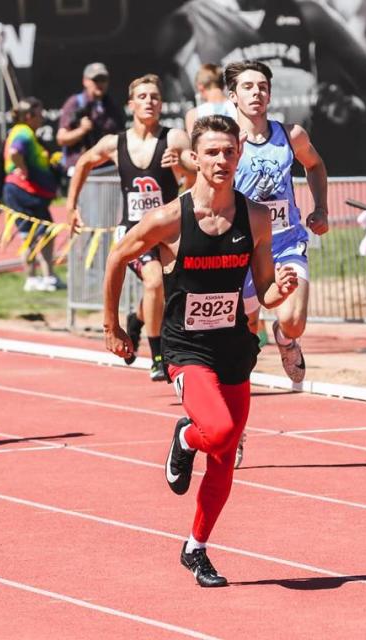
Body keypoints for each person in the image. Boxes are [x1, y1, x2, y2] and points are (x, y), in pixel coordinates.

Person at [102, 114, 298, 587]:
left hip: (234, 342)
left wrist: (280, 291)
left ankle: (197, 547)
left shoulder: (254, 217)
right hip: (186, 345)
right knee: (220, 428)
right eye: (212, 152)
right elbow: (116, 256)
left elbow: (265, 289)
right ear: (194, 157)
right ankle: (185, 438)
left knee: (227, 454)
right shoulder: (169, 219)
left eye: (229, 152)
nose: (222, 160)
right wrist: (111, 325)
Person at [66, 74, 194, 381]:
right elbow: (83, 162)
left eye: (154, 96)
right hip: (134, 232)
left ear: (161, 103)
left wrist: (183, 164)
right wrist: (71, 206)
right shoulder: (115, 143)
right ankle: (159, 356)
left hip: (167, 229)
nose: (149, 101)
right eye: (143, 96)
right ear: (131, 104)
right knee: (153, 282)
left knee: (169, 288)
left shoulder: (174, 138)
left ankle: (136, 322)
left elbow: (198, 165)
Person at [228, 61, 328, 383]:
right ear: (233, 96)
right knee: (242, 341)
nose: (256, 92)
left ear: (269, 94)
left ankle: (286, 339)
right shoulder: (225, 143)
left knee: (294, 320)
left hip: (286, 241)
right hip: (243, 246)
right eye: (247, 86)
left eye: (262, 87)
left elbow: (315, 165)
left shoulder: (290, 135)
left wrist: (321, 208)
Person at [156, 0, 366, 129]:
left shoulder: (308, 13)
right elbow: (162, 109)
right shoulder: (187, 21)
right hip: (233, 168)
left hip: (295, 165)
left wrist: (352, 108)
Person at [3, 97, 64, 293]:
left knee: (39, 234)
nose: (43, 118)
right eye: (39, 114)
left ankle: (44, 276)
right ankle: (37, 277)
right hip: (24, 192)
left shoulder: (25, 132)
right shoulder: (23, 133)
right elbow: (14, 152)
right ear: (29, 116)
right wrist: (22, 168)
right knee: (34, 235)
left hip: (30, 193)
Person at [56, 62, 125, 176]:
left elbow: (121, 136)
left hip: (106, 171)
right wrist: (82, 130)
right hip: (81, 171)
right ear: (85, 81)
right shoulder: (75, 103)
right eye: (95, 79)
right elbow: (61, 138)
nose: (100, 84)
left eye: (103, 79)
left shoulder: (112, 105)